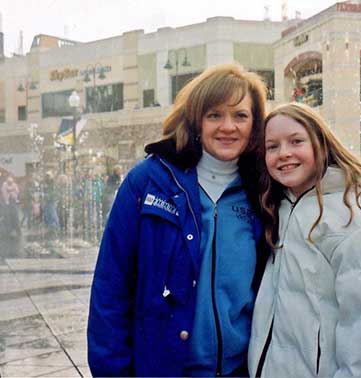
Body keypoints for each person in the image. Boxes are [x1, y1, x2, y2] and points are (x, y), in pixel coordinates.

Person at [87, 64, 267, 377]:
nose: (228, 126)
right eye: (215, 115)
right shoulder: (148, 181)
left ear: (254, 124)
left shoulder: (263, 189)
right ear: (197, 120)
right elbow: (111, 286)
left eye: (240, 115)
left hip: (242, 370)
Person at [248, 103, 361, 378]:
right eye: (272, 146)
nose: (284, 153)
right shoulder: (279, 208)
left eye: (296, 141)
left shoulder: (356, 223)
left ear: (321, 144)